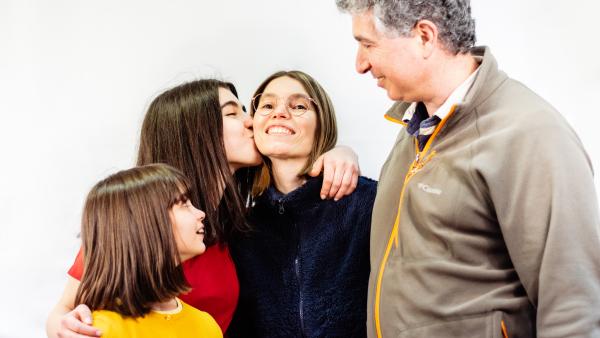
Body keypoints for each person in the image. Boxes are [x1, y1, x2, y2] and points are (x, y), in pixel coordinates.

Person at [335, 0, 600, 337]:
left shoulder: (529, 134)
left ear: (425, 37)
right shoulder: (414, 130)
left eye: (367, 44)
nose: (360, 64)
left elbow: (573, 308)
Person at [46, 79, 361, 337]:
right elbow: (63, 314)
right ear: (198, 132)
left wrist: (340, 153)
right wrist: (66, 327)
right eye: (233, 113)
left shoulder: (231, 228)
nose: (253, 120)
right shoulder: (137, 228)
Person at [228, 70, 377, 338]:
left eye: (298, 106)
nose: (280, 113)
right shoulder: (241, 229)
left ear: (323, 124)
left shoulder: (368, 202)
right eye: (268, 105)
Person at [75, 163, 221, 337]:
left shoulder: (206, 326)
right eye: (183, 203)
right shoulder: (99, 330)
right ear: (143, 223)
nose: (201, 213)